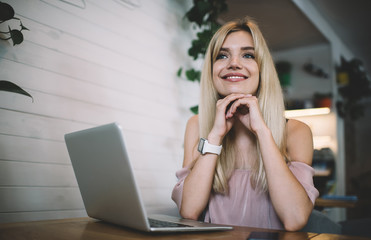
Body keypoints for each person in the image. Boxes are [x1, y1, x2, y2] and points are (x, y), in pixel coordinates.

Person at [171, 16, 319, 231]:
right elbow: (189, 210)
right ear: (212, 70)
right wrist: (215, 136)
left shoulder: (296, 131)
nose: (233, 63)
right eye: (222, 55)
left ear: (262, 69)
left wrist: (262, 132)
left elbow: (294, 218)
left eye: (248, 55)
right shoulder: (197, 125)